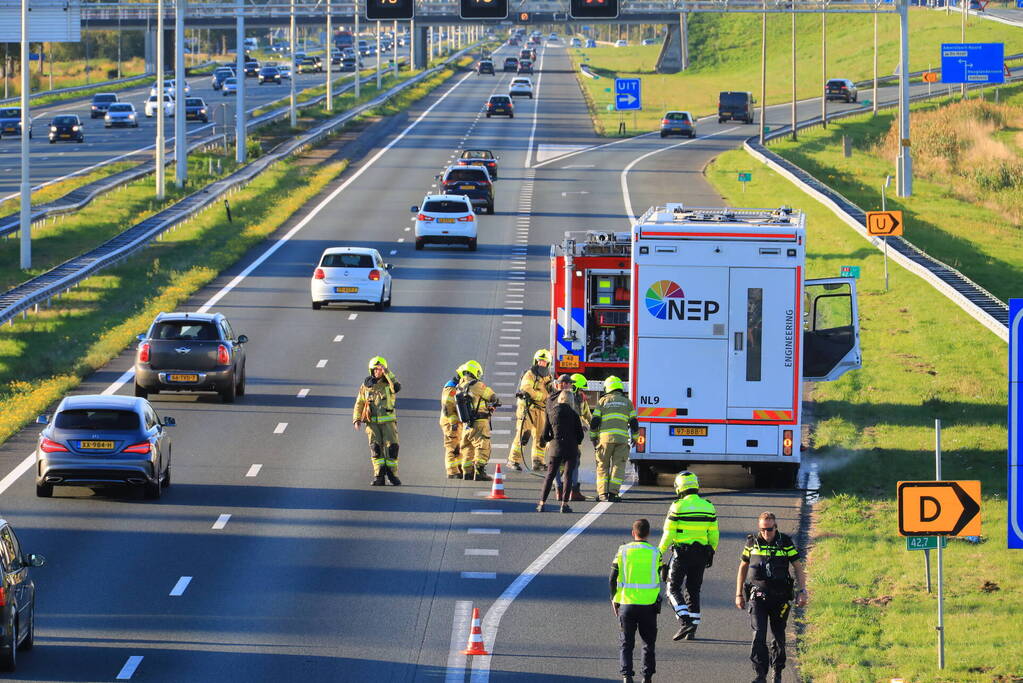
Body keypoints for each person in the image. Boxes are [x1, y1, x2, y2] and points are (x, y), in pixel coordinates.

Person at [735, 511, 808, 683]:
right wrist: (738, 593)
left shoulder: (785, 542)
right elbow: (743, 567)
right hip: (757, 597)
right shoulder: (751, 542)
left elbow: (797, 566)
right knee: (758, 635)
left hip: (780, 598)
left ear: (776, 527)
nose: (766, 533)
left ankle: (777, 672)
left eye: (769, 529)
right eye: (763, 529)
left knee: (778, 637)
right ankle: (760, 675)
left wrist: (802, 591)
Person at [657, 471, 719, 641]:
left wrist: (659, 553)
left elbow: (668, 534)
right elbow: (714, 534)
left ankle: (685, 622)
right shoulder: (708, 506)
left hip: (681, 554)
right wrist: (711, 551)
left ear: (679, 488)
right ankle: (693, 629)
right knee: (693, 590)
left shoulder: (677, 506)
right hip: (701, 554)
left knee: (672, 589)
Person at [610, 518, 663, 683]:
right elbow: (663, 575)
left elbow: (612, 578)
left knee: (626, 642)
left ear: (633, 533)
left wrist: (614, 599)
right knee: (648, 643)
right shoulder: (656, 553)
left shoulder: (623, 551)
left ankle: (626, 676)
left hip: (627, 604)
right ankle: (647, 677)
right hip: (648, 605)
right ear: (648, 533)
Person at [536, 374, 585, 513]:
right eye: (569, 384)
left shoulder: (550, 405)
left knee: (550, 474)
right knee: (569, 475)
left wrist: (549, 439)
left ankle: (541, 503)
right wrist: (577, 441)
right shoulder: (574, 413)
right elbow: (580, 433)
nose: (571, 386)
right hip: (571, 446)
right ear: (564, 385)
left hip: (555, 446)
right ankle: (565, 503)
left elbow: (546, 432)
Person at [353, 356, 402, 486]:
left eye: (379, 369)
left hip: (388, 423)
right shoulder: (366, 385)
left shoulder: (389, 383)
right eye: (375, 369)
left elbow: (396, 387)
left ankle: (392, 475)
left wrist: (387, 373)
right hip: (372, 424)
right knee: (376, 449)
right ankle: (379, 475)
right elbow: (360, 403)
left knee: (392, 448)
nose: (377, 372)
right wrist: (357, 419)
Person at [590, 375, 639, 502]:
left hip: (604, 440)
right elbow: (634, 422)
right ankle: (613, 494)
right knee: (618, 466)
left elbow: (595, 421)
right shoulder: (627, 402)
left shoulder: (602, 401)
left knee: (602, 466)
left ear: (607, 388)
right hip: (622, 440)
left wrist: (593, 436)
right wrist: (635, 437)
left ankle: (602, 494)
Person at [508, 349, 553, 472]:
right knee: (523, 434)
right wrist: (543, 397)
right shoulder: (530, 374)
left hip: (541, 410)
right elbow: (527, 389)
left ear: (548, 363)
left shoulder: (548, 376)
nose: (541, 363)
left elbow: (551, 391)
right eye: (540, 361)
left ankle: (538, 462)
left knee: (541, 437)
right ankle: (513, 460)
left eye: (544, 362)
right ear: (535, 361)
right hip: (527, 409)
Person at [456, 360, 501, 482]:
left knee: (467, 447)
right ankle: (479, 472)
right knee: (483, 446)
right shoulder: (477, 385)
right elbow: (493, 396)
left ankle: (467, 472)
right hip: (480, 422)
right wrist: (494, 403)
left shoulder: (460, 385)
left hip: (467, 423)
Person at [554, 372, 592, 502]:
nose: (582, 392)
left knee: (574, 460)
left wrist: (592, 425)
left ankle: (569, 489)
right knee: (563, 462)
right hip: (565, 435)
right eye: (580, 388)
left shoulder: (580, 399)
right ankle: (563, 488)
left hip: (574, 435)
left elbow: (586, 415)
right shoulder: (564, 398)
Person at [440, 365, 464, 479]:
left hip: (456, 422)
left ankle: (458, 468)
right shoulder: (451, 388)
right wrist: (453, 422)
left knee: (458, 446)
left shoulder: (458, 386)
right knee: (452, 446)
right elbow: (447, 408)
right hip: (450, 422)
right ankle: (452, 471)